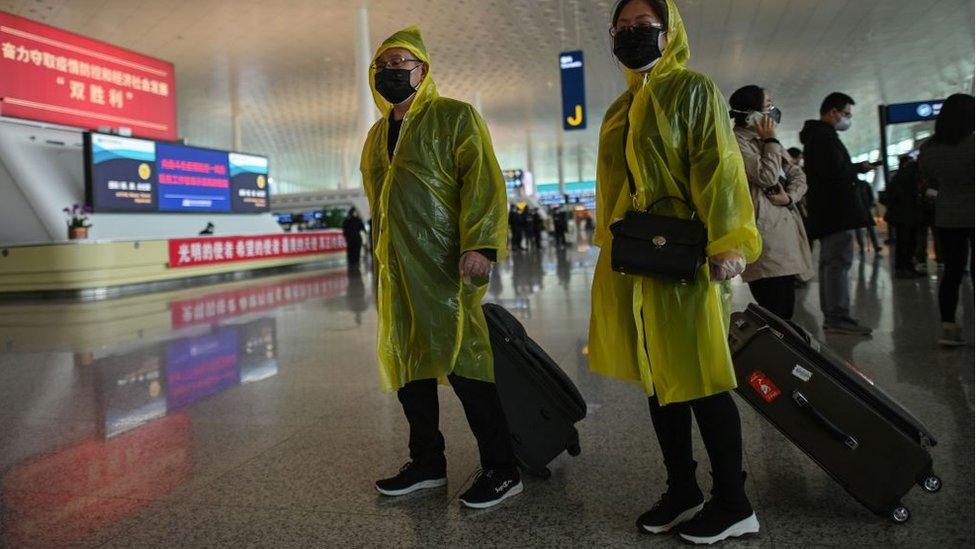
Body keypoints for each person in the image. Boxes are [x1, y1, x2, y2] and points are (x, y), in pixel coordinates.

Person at [589, 1, 762, 544]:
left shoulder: (693, 90)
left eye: (644, 26)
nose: (631, 35)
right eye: (622, 28)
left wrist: (730, 242)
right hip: (640, 262)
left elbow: (719, 166)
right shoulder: (621, 109)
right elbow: (612, 190)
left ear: (669, 33)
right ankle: (682, 488)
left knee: (704, 378)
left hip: (690, 259)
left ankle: (734, 502)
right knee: (660, 379)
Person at [359, 26, 520, 509]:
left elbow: (484, 182)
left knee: (466, 361)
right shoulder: (375, 134)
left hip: (447, 266)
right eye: (383, 65)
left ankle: (502, 466)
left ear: (423, 70)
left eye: (400, 64)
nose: (391, 72)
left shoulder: (454, 117)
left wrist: (482, 244)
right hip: (397, 271)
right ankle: (427, 460)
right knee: (410, 363)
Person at [729, 85, 812, 320]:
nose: (773, 112)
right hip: (765, 236)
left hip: (786, 232)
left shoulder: (767, 141)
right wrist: (771, 141)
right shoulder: (737, 142)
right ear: (752, 114)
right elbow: (766, 176)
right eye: (768, 106)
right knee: (776, 310)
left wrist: (790, 197)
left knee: (786, 308)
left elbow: (798, 175)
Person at [800, 92, 877, 336]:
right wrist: (854, 171)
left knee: (830, 264)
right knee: (837, 264)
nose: (847, 119)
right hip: (837, 212)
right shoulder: (824, 137)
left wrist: (854, 168)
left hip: (828, 213)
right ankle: (837, 317)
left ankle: (834, 316)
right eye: (846, 114)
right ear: (833, 112)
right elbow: (834, 172)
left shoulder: (816, 137)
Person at [918, 93, 975, 347]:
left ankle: (948, 328)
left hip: (947, 215)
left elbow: (930, 181)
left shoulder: (929, 149)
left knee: (952, 272)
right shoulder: (973, 144)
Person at [882, 155, 925, 278]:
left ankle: (906, 267)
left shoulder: (901, 175)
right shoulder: (911, 174)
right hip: (905, 215)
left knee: (906, 242)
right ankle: (903, 268)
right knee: (906, 242)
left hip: (903, 215)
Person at [854, 179, 882, 256]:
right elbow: (871, 197)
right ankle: (874, 247)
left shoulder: (854, 185)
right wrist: (869, 205)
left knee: (860, 230)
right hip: (864, 210)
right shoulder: (864, 184)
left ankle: (863, 248)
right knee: (869, 229)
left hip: (860, 210)